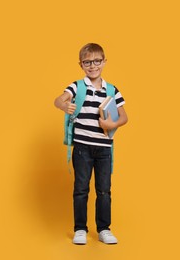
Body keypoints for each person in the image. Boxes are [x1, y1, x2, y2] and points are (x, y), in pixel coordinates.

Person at [54, 43, 128, 245]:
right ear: (81, 64)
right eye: (87, 62)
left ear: (104, 62)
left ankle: (104, 229)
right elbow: (58, 100)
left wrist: (112, 123)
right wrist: (64, 105)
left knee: (104, 189)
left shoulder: (112, 90)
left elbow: (124, 117)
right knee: (81, 189)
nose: (92, 65)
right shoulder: (77, 87)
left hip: (104, 149)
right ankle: (80, 229)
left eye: (97, 61)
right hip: (82, 149)